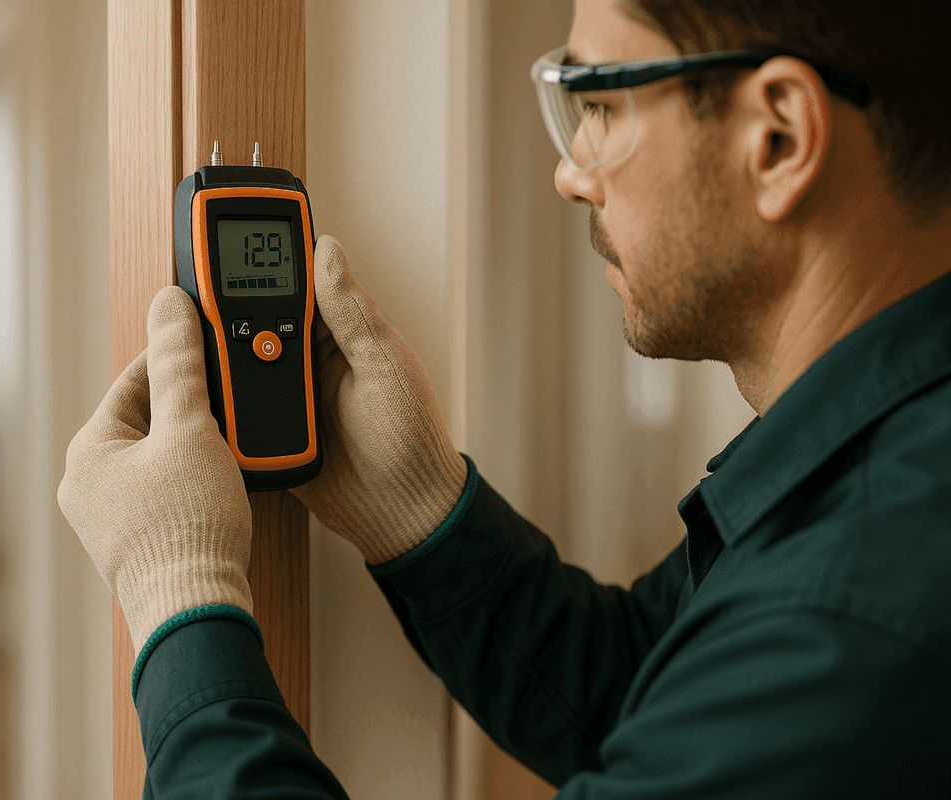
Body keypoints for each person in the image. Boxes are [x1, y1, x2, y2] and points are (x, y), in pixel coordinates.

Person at [58, 0, 951, 795]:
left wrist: (182, 599)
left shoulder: (853, 612)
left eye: (599, 104)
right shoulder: (881, 469)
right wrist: (419, 514)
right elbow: (645, 692)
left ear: (779, 138)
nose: (572, 172)